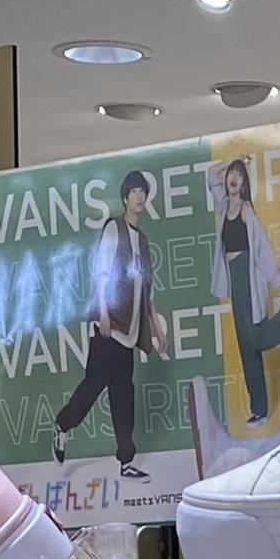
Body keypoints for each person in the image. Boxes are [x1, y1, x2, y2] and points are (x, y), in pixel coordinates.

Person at [52, 167, 165, 469]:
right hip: (109, 325)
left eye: (143, 193)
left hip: (129, 330)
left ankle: (126, 460)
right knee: (93, 384)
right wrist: (102, 310)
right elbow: (102, 271)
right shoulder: (114, 228)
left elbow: (146, 289)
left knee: (123, 393)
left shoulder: (142, 240)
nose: (140, 197)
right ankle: (62, 425)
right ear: (125, 198)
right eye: (135, 192)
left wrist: (156, 328)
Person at [212, 157, 280, 426]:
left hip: (247, 272)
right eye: (231, 174)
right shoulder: (222, 206)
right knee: (246, 346)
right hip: (233, 277)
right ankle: (259, 409)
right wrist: (235, 159)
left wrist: (279, 279)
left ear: (244, 183)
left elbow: (262, 249)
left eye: (239, 175)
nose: (233, 178)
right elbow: (209, 175)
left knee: (254, 337)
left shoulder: (247, 211)